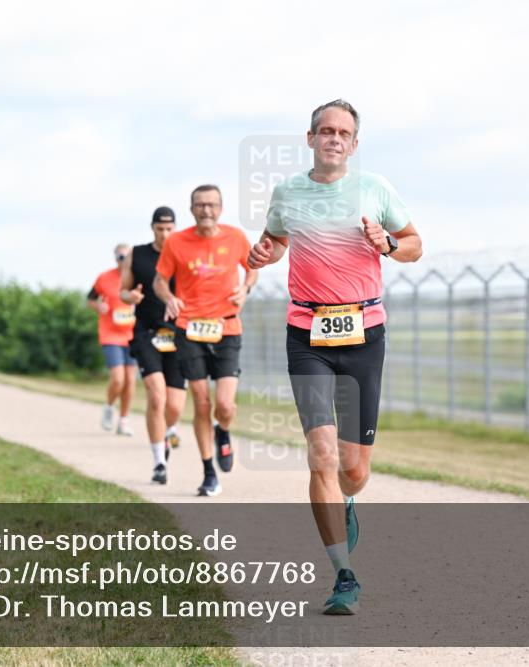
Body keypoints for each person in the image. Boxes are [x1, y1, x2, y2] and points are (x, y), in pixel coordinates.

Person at [247, 100, 423, 615]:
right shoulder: (287, 192)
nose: (334, 139)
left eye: (343, 133)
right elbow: (276, 240)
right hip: (307, 335)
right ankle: (344, 574)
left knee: (353, 470)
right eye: (326, 131)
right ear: (310, 138)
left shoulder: (375, 189)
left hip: (364, 333)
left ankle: (348, 498)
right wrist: (263, 253)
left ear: (354, 143)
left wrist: (388, 242)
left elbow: (415, 244)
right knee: (320, 455)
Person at [154, 185, 257, 497]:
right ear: (191, 209)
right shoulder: (176, 241)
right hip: (189, 329)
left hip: (226, 328)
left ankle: (222, 431)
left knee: (225, 405)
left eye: (212, 205)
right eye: (200, 205)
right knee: (201, 402)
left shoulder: (236, 237)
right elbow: (160, 280)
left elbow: (252, 269)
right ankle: (209, 471)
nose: (206, 211)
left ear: (221, 208)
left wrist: (245, 288)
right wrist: (169, 297)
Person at [121, 206, 187, 485]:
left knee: (174, 406)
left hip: (179, 334)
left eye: (169, 229)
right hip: (146, 333)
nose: (165, 234)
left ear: (175, 228)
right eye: (160, 229)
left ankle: (169, 428)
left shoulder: (184, 252)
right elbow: (123, 291)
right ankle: (159, 462)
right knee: (156, 396)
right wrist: (131, 297)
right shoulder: (136, 254)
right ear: (152, 228)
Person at [88, 245, 138, 436]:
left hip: (132, 335)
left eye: (126, 257)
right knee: (118, 379)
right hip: (110, 334)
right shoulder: (104, 278)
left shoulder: (136, 278)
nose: (122, 260)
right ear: (115, 257)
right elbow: (90, 299)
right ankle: (109, 407)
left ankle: (123, 421)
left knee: (130, 381)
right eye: (120, 257)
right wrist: (98, 306)